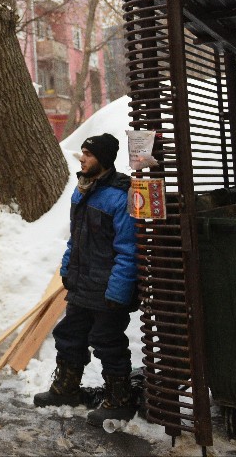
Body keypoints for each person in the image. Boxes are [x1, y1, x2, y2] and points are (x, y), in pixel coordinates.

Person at [34, 133, 138, 426]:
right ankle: (66, 389)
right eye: (82, 153)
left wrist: (118, 292)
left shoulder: (120, 196)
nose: (82, 158)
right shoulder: (82, 190)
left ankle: (120, 400)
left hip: (107, 287)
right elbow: (75, 239)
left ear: (103, 159)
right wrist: (67, 269)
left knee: (107, 341)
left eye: (88, 154)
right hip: (82, 282)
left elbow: (128, 249)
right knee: (70, 335)